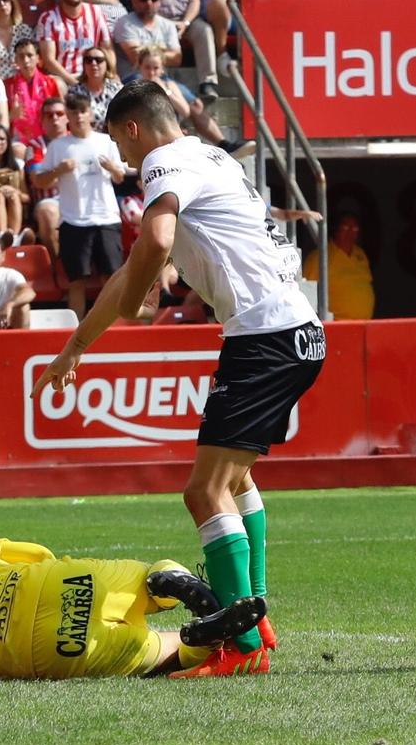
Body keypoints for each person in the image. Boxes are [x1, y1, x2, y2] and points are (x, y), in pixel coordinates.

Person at [34, 81, 317, 676]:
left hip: (264, 335)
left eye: (119, 142)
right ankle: (255, 624)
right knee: (233, 479)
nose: (125, 159)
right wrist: (76, 346)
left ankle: (239, 649)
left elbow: (153, 242)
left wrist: (139, 302)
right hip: (297, 330)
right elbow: (134, 268)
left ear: (132, 130)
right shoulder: (207, 157)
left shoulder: (163, 163)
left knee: (203, 491)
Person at [0, 540, 265, 680]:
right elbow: (33, 553)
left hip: (49, 647)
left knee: (157, 652)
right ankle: (171, 586)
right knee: (147, 577)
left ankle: (200, 639)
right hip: (57, 585)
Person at [32, 89, 125, 316]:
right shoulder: (58, 146)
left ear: (91, 113)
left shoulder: (106, 141)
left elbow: (120, 176)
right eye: (73, 112)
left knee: (110, 279)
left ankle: (112, 330)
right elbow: (40, 181)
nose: (79, 117)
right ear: (68, 116)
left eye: (83, 111)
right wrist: (59, 170)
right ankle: (76, 334)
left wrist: (112, 168)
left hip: (106, 217)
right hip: (73, 221)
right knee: (76, 282)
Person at [301, 212, 373, 321]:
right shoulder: (320, 256)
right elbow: (305, 292)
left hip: (365, 325)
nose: (350, 233)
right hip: (336, 325)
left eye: (354, 229)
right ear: (336, 229)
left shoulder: (360, 254)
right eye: (345, 227)